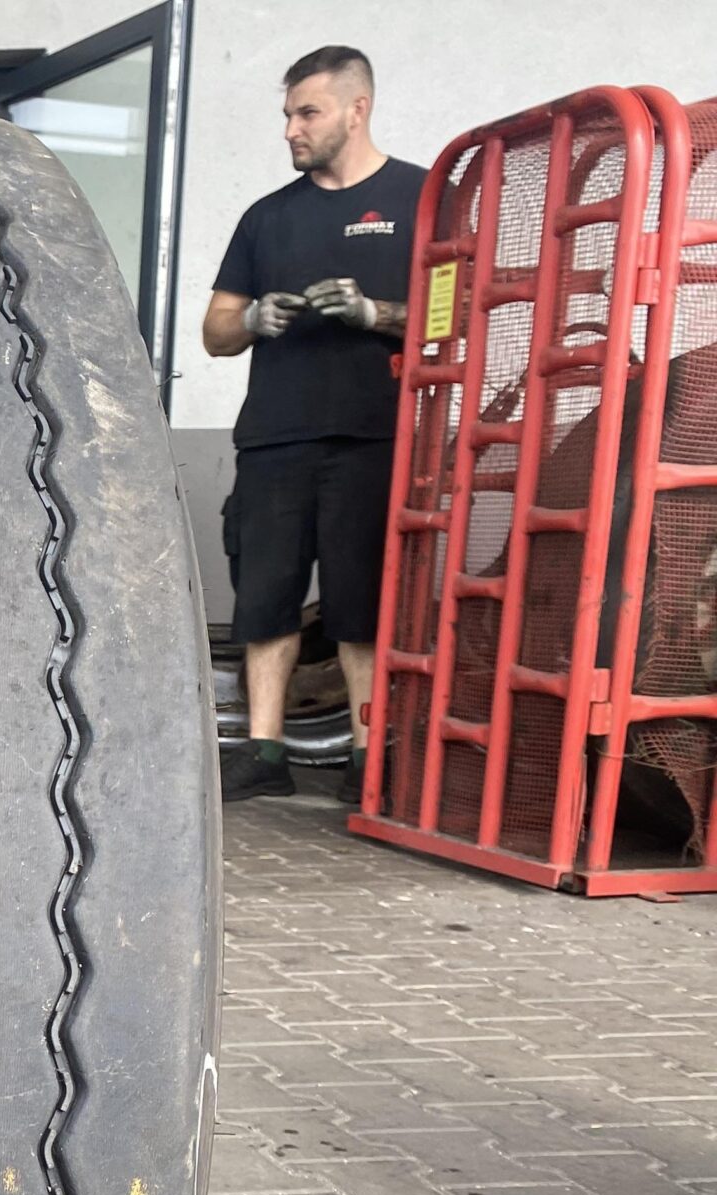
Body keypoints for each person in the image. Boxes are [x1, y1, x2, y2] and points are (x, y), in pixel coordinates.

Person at [204, 45, 425, 803]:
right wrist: (253, 320)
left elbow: (457, 315)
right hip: (275, 438)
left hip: (375, 436)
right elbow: (215, 329)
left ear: (357, 110)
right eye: (288, 114)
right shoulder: (267, 218)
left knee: (360, 605)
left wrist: (375, 313)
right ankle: (264, 753)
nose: (291, 130)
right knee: (264, 600)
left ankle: (367, 758)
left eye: (308, 113)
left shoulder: (422, 199)